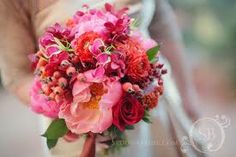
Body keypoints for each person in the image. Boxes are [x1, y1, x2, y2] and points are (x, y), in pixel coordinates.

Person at [0, 0, 204, 156]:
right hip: (78, 127)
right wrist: (76, 117)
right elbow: (17, 76)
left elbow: (161, 21)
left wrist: (188, 97)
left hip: (154, 110)